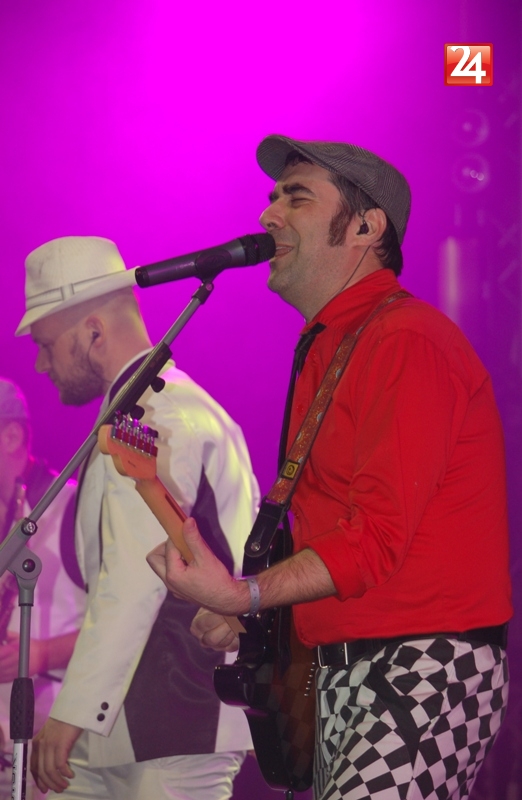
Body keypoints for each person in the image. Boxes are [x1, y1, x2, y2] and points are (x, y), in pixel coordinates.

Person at [147, 135, 513, 800]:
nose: (268, 216)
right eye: (273, 198)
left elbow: (374, 538)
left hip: (423, 664)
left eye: (297, 198)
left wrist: (246, 595)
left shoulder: (406, 339)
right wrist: (261, 616)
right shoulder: (336, 342)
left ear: (367, 228)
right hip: (347, 668)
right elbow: (331, 533)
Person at [15, 236, 259, 799]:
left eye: (47, 344)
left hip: (174, 719)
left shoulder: (156, 412)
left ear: (93, 332)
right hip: (138, 723)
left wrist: (71, 711)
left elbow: (135, 576)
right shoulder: (153, 405)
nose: (40, 364)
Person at [0, 377, 85, 800]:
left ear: (12, 436)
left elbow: (130, 620)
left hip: (54, 754)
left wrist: (43, 653)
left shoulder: (71, 508)